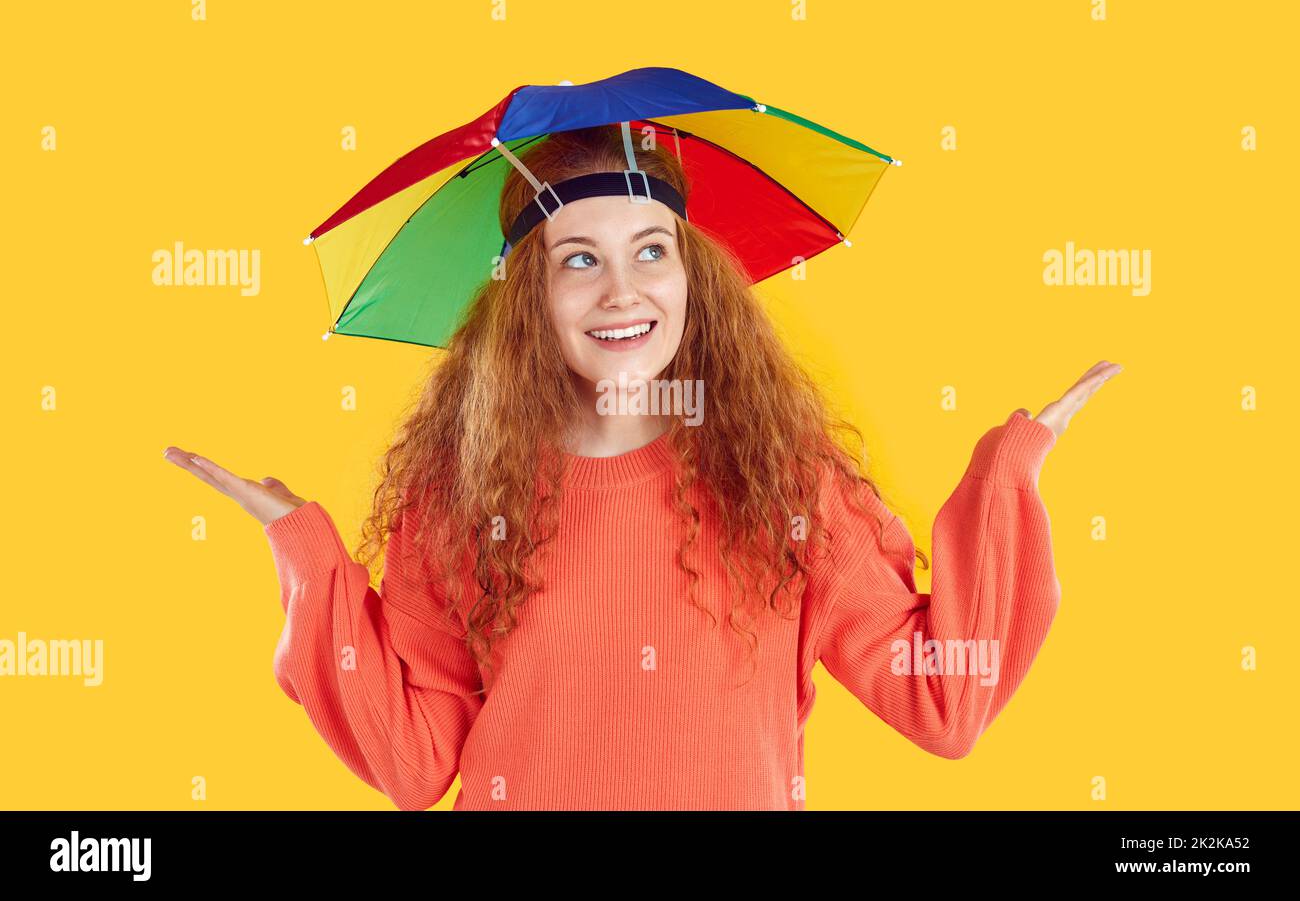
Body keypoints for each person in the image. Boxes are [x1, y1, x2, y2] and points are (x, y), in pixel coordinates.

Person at [163, 124, 1122, 810]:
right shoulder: (458, 496)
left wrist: (1006, 477)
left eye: (649, 249)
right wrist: (303, 551)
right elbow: (415, 763)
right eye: (578, 258)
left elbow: (944, 701)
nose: (622, 290)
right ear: (526, 294)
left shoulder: (786, 484)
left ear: (691, 271)